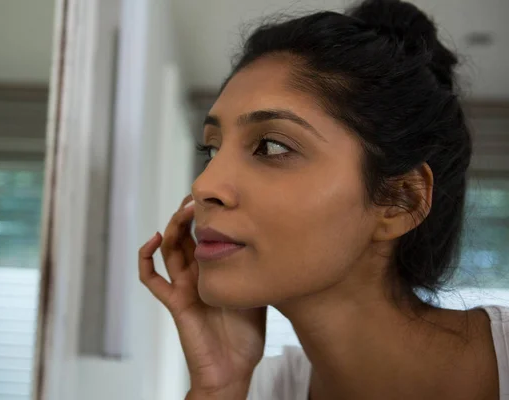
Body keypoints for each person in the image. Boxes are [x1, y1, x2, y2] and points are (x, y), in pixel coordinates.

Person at [138, 0, 509, 398]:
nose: (205, 185)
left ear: (400, 199)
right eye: (211, 150)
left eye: (271, 146)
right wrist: (219, 386)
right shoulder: (258, 389)